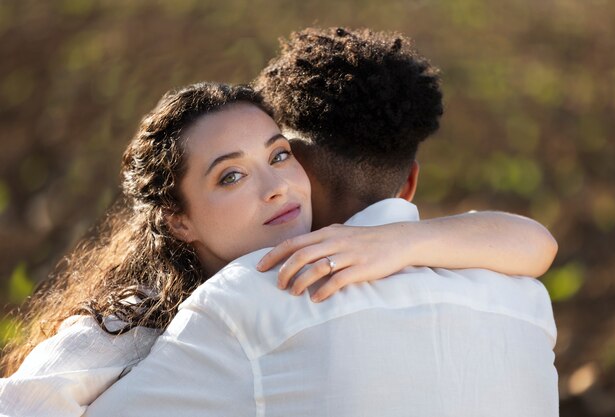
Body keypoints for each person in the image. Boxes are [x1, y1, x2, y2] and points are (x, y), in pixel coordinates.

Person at [83, 28, 558, 417]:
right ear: (410, 183)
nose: (274, 185)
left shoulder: (254, 297)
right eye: (235, 173)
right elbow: (536, 241)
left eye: (280, 155)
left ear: (302, 167)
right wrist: (402, 242)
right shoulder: (520, 292)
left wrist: (395, 243)